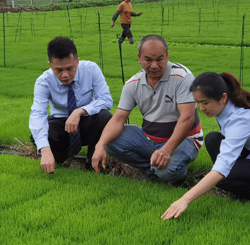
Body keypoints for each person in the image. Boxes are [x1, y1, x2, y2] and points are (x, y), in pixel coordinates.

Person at [162, 72, 250, 219]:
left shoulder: (239, 119)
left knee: (223, 178)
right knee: (213, 139)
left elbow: (222, 167)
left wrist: (184, 200)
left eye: (205, 102)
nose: (201, 108)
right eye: (197, 102)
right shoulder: (228, 105)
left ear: (223, 97)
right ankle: (244, 180)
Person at [91, 35, 202, 185]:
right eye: (148, 60)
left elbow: (187, 118)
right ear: (139, 58)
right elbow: (118, 119)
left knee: (168, 170)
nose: (154, 65)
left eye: (160, 59)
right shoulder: (133, 84)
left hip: (185, 139)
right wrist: (100, 145)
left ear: (167, 56)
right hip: (150, 138)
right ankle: (153, 170)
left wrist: (166, 150)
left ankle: (176, 174)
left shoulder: (182, 77)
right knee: (110, 142)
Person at [29, 37, 113, 173]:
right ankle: (62, 158)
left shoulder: (91, 69)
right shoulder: (43, 81)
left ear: (77, 61)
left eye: (70, 68)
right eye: (58, 70)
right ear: (50, 65)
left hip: (86, 121)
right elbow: (38, 114)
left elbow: (106, 99)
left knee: (105, 117)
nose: (65, 75)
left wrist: (79, 111)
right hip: (61, 124)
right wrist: (44, 150)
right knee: (39, 135)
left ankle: (93, 163)